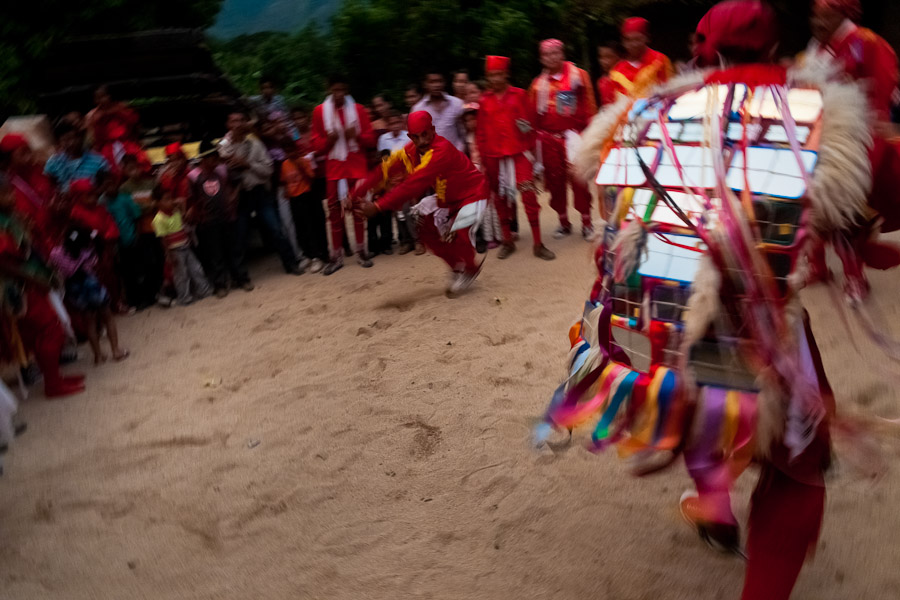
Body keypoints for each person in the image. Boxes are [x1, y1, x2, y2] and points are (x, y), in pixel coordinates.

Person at [550, 2, 887, 599]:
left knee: (700, 403)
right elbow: (860, 210)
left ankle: (715, 507)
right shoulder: (815, 111)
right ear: (776, 43)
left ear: (705, 50)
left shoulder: (646, 108)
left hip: (645, 328)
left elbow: (604, 191)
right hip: (752, 328)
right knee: (799, 467)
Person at [355, 111, 487, 297]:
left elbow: (412, 185)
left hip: (473, 194)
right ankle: (457, 267)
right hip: (446, 197)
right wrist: (356, 193)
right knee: (424, 230)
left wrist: (377, 206)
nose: (422, 140)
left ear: (433, 130)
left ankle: (471, 269)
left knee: (457, 233)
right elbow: (385, 169)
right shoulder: (410, 150)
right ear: (410, 137)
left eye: (425, 134)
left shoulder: (441, 151)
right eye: (416, 137)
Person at [0, 174, 85, 397]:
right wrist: (34, 280)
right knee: (50, 330)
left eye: (10, 192)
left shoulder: (10, 217)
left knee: (42, 332)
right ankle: (53, 385)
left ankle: (53, 378)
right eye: (6, 194)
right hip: (19, 287)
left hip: (27, 282)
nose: (11, 197)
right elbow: (3, 263)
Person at [478, 55, 554, 261]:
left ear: (506, 74)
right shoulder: (484, 100)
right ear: (488, 76)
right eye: (492, 75)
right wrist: (484, 158)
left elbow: (529, 124)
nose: (496, 79)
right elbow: (481, 133)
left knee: (529, 196)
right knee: (500, 199)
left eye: (499, 74)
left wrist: (530, 153)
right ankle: (507, 241)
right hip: (493, 155)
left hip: (519, 152)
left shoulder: (519, 95)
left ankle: (538, 243)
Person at [218, 110, 303, 281]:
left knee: (276, 229)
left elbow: (269, 170)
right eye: (234, 121)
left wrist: (247, 164)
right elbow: (224, 173)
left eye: (241, 120)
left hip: (259, 192)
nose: (238, 124)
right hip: (240, 195)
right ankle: (241, 278)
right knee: (240, 236)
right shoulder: (223, 147)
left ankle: (291, 264)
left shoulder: (255, 144)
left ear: (246, 124)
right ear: (228, 125)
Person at [529, 39, 597, 240]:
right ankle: (563, 222)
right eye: (547, 55)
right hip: (548, 139)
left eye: (555, 53)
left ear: (562, 53)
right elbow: (532, 116)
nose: (551, 58)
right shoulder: (536, 85)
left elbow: (589, 106)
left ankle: (586, 222)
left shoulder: (579, 76)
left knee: (579, 180)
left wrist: (589, 135)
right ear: (541, 58)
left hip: (574, 135)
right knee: (554, 181)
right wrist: (533, 144)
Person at [311, 75, 377, 275]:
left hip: (356, 167)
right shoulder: (319, 112)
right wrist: (328, 141)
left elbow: (371, 139)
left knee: (358, 209)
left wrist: (355, 135)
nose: (339, 94)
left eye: (342, 90)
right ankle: (336, 256)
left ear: (347, 90)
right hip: (334, 169)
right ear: (329, 89)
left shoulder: (358, 110)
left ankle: (361, 251)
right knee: (334, 213)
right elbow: (316, 145)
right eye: (335, 90)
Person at [49, 225, 128, 365]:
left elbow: (54, 265)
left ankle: (98, 356)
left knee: (89, 321)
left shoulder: (56, 253)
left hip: (74, 289)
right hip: (91, 285)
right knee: (107, 317)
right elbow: (95, 261)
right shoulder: (87, 251)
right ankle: (116, 350)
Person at [807, 0, 898, 121]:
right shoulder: (815, 46)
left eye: (828, 17)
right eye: (816, 16)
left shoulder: (867, 42)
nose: (819, 23)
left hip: (860, 126)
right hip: (821, 121)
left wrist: (877, 121)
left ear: (844, 16)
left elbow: (883, 86)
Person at [188, 140, 245, 298]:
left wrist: (234, 195)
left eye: (216, 157)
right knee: (215, 254)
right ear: (204, 160)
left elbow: (238, 180)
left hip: (227, 216)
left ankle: (240, 278)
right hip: (208, 220)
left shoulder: (223, 170)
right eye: (212, 158)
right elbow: (191, 197)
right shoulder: (194, 176)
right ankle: (220, 284)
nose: (215, 160)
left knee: (233, 249)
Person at [151, 186, 211, 305]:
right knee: (181, 275)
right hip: (175, 250)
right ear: (158, 203)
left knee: (196, 269)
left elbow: (183, 211)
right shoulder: (158, 219)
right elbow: (163, 240)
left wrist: (180, 205)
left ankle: (204, 290)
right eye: (166, 199)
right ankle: (184, 297)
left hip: (185, 246)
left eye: (171, 198)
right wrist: (168, 255)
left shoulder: (176, 212)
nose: (171, 201)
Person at [377, 110, 419, 255]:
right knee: (398, 213)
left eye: (397, 122)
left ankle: (417, 240)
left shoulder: (407, 138)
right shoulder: (383, 139)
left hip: (406, 179)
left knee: (410, 211)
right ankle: (405, 241)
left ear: (401, 123)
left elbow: (412, 159)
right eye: (391, 123)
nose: (395, 126)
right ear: (387, 124)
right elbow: (383, 161)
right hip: (392, 181)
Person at [609, 18, 674, 99]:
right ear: (623, 41)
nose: (633, 44)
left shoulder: (660, 60)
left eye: (637, 39)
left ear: (647, 38)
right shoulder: (617, 72)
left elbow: (670, 91)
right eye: (629, 40)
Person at [44, 120, 111, 193]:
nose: (71, 143)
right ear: (59, 143)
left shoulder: (98, 161)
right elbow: (48, 188)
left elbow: (107, 186)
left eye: (73, 138)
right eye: (66, 140)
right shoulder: (53, 162)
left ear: (80, 137)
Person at [412, 70, 466, 152]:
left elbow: (462, 132)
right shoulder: (418, 109)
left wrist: (461, 150)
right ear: (425, 84)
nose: (436, 85)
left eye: (439, 81)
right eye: (432, 82)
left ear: (444, 83)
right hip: (431, 158)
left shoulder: (457, 103)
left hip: (455, 156)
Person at [596, 42, 623, 107]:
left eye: (609, 57)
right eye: (601, 57)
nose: (604, 61)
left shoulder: (626, 77)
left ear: (619, 57)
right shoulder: (601, 81)